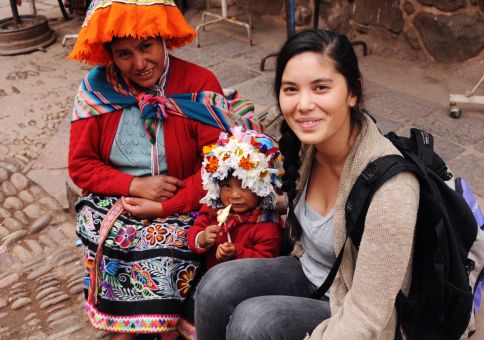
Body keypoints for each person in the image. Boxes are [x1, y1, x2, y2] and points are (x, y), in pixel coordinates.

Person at [194, 29, 420, 340]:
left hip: (352, 308)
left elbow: (368, 316)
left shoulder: (391, 189)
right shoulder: (308, 147)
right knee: (215, 287)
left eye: (321, 88)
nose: (303, 105)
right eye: (290, 89)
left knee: (254, 322)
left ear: (353, 92)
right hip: (308, 270)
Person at [67, 1, 257, 339]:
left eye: (146, 47)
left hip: (188, 198)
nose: (140, 64)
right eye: (124, 54)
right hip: (118, 198)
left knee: (177, 241)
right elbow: (81, 166)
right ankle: (122, 325)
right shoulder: (96, 90)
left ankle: (167, 328)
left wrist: (166, 204)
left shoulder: (198, 83)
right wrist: (134, 186)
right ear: (109, 54)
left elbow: (220, 167)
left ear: (163, 39)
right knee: (110, 237)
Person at [187, 127, 285, 269]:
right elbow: (194, 231)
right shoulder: (213, 210)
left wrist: (237, 252)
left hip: (247, 283)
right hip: (209, 276)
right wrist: (202, 238)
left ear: (261, 188)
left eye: (245, 186)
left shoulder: (266, 224)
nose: (234, 195)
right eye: (226, 185)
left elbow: (267, 262)